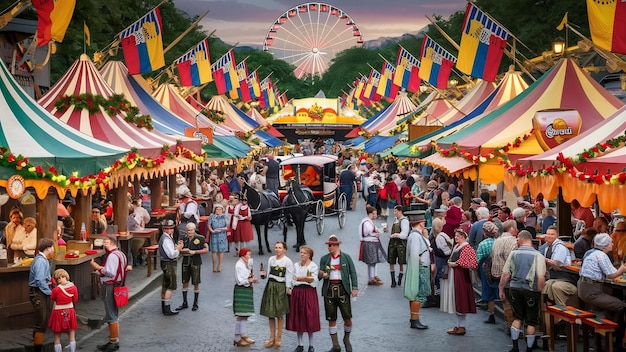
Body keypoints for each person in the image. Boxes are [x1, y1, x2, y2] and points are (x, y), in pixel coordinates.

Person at [499, 230, 546, 352]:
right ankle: (529, 349)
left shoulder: (513, 254)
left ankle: (515, 347)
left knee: (517, 318)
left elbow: (505, 274)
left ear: (520, 240)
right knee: (531, 321)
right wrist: (540, 292)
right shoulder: (538, 256)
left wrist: (501, 289)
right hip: (531, 290)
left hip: (514, 289)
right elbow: (541, 278)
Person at [578, 233, 626, 350]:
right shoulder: (601, 255)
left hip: (582, 287)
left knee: (611, 304)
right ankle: (615, 336)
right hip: (592, 292)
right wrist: (623, 269)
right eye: (611, 243)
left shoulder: (590, 252)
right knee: (621, 306)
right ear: (605, 246)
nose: (612, 244)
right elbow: (611, 275)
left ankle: (610, 334)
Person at [319, 235, 358, 352]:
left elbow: (353, 273)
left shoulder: (346, 258)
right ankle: (335, 345)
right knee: (331, 318)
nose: (329, 247)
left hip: (343, 289)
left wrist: (355, 288)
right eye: (328, 245)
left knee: (347, 317)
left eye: (331, 245)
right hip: (329, 289)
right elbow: (319, 274)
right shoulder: (324, 259)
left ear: (336, 245)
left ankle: (346, 338)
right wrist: (322, 274)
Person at [90, 236, 128, 352]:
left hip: (110, 286)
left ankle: (114, 341)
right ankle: (112, 340)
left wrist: (97, 267)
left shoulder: (112, 256)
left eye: (106, 242)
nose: (104, 245)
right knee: (113, 312)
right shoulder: (121, 254)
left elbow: (110, 272)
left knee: (111, 313)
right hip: (118, 285)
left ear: (112, 243)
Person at [440, 229, 478, 336]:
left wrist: (455, 264)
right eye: (455, 235)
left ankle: (462, 326)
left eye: (457, 236)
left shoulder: (466, 247)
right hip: (455, 275)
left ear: (463, 236)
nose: (455, 237)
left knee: (461, 299)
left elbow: (471, 262)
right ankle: (457, 325)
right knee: (456, 300)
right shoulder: (458, 246)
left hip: (461, 276)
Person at [260, 241, 294, 348]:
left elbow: (289, 274)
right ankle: (271, 337)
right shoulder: (271, 259)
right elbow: (268, 273)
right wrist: (263, 275)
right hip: (271, 285)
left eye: (280, 247)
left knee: (279, 314)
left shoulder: (287, 261)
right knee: (270, 313)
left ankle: (279, 338)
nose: (277, 249)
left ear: (284, 249)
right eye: (276, 247)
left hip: (280, 286)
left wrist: (288, 287)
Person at [287, 245, 321, 352]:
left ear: (309, 255)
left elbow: (313, 279)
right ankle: (300, 344)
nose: (302, 254)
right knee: (299, 316)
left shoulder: (313, 266)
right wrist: (289, 287)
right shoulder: (296, 265)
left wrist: (303, 278)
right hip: (297, 292)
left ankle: (311, 345)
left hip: (308, 292)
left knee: (309, 316)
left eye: (304, 253)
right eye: (301, 252)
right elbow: (291, 277)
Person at [404, 210, 432, 329]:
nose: (424, 222)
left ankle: (414, 318)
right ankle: (414, 320)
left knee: (416, 295)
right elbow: (415, 255)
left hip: (420, 267)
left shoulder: (415, 235)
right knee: (418, 294)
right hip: (420, 269)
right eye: (423, 221)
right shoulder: (415, 236)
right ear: (420, 223)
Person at [541, 226, 579, 309]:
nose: (549, 236)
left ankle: (563, 309)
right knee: (545, 285)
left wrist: (544, 260)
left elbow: (556, 264)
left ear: (557, 236)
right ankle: (549, 310)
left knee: (555, 286)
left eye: (552, 234)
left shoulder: (560, 247)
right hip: (555, 276)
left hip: (566, 277)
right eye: (548, 234)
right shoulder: (547, 247)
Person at [29, 238, 55, 352]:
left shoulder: (42, 260)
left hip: (40, 290)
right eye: (52, 247)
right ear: (48, 248)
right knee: (42, 320)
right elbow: (40, 280)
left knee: (41, 318)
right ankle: (37, 348)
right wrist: (51, 292)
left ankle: (37, 343)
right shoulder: (40, 261)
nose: (54, 249)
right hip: (38, 292)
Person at [176, 222, 209, 311]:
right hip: (186, 262)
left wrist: (194, 252)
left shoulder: (200, 238)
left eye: (191, 230)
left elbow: (206, 249)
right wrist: (182, 249)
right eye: (188, 230)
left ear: (194, 230)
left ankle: (195, 303)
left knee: (196, 283)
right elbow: (178, 249)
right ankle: (184, 302)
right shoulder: (183, 238)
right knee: (184, 282)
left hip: (196, 262)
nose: (190, 232)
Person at [233, 248, 259, 347]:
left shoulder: (245, 264)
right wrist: (251, 279)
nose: (249, 256)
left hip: (246, 289)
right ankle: (237, 338)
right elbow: (240, 281)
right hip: (241, 289)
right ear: (243, 255)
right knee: (241, 314)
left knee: (245, 314)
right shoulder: (239, 265)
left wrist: (252, 278)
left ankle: (243, 334)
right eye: (248, 254)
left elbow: (247, 276)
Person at [475, 221, 500, 324]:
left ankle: (492, 314)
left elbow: (478, 260)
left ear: (484, 233)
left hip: (485, 270)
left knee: (489, 292)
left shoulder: (482, 244)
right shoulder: (498, 242)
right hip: (498, 267)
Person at [48, 269, 78, 352]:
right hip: (70, 310)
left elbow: (52, 298)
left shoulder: (56, 290)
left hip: (58, 312)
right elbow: (75, 299)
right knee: (72, 332)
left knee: (57, 335)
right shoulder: (74, 287)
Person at [158, 219, 183, 316]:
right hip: (169, 263)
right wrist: (178, 249)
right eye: (167, 229)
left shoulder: (166, 238)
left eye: (171, 229)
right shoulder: (166, 239)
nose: (169, 231)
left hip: (165, 263)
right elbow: (172, 254)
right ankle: (167, 308)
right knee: (170, 286)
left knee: (165, 284)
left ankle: (164, 306)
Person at [359, 205, 387, 286]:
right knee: (372, 262)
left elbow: (375, 230)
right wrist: (377, 232)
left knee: (373, 261)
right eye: (374, 214)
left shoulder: (369, 221)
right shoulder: (366, 222)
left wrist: (380, 231)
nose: (375, 215)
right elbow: (367, 232)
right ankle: (371, 278)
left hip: (372, 242)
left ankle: (373, 276)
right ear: (370, 214)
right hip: (369, 243)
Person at [388, 205, 409, 287]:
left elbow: (404, 234)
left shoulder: (404, 221)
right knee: (391, 261)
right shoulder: (395, 219)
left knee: (401, 262)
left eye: (396, 211)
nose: (394, 213)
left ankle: (400, 279)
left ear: (400, 211)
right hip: (393, 243)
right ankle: (393, 280)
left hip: (400, 243)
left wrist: (397, 235)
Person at [208, 203, 229, 272]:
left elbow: (227, 226)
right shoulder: (212, 216)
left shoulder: (224, 216)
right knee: (214, 250)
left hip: (222, 235)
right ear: (215, 210)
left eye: (220, 209)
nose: (219, 211)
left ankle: (220, 265)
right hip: (214, 235)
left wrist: (223, 229)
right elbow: (209, 225)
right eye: (217, 209)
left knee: (221, 250)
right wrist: (212, 231)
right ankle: (214, 266)